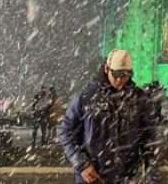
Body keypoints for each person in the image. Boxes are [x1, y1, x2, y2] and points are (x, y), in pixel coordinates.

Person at [58, 48, 156, 184]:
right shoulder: (86, 96)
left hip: (126, 176)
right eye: (116, 75)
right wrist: (82, 164)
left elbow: (149, 137)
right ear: (106, 69)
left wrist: (151, 171)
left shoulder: (138, 99)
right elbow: (65, 131)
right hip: (92, 176)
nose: (120, 80)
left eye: (125, 75)